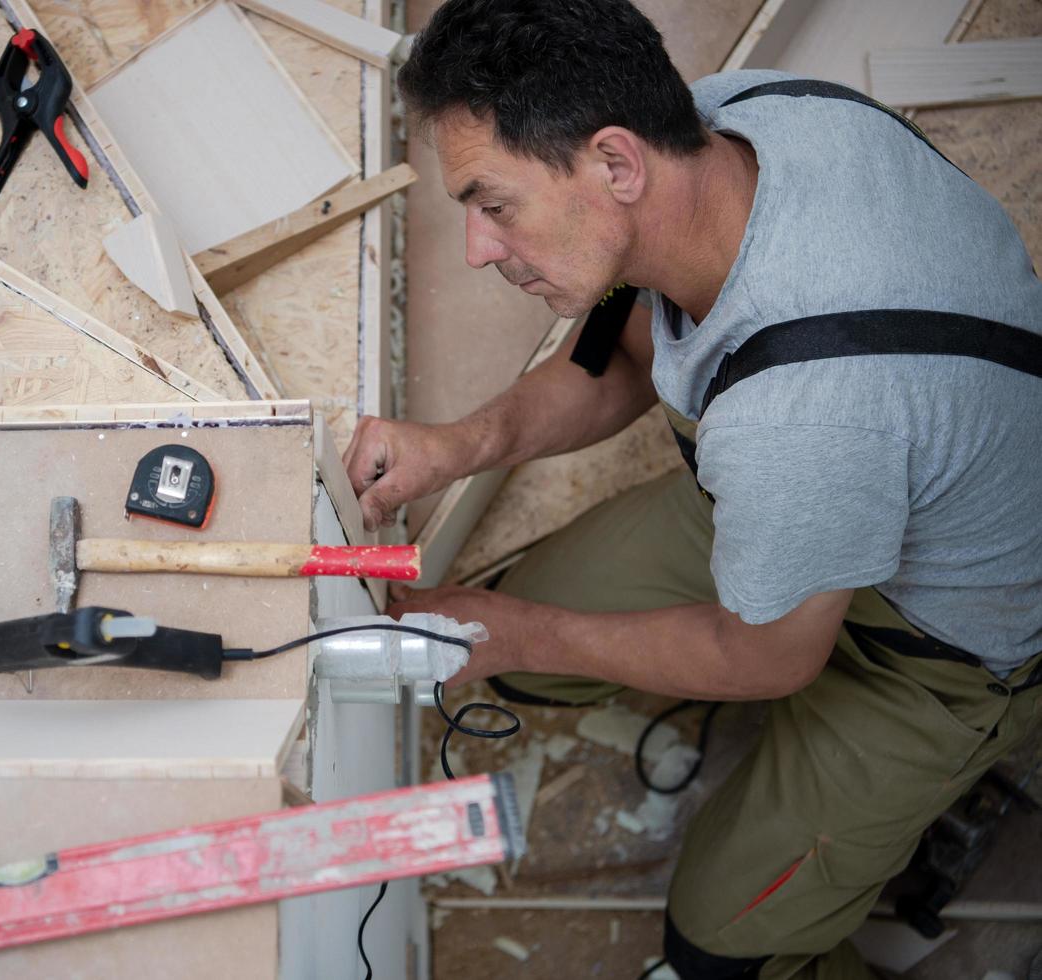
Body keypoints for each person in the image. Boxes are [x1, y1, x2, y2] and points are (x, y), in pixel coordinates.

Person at [345, 1, 1042, 976]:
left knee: (719, 949)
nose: (477, 247)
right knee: (517, 642)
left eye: (494, 204)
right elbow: (623, 359)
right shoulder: (742, 118)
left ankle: (938, 776)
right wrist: (458, 444)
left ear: (615, 164)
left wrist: (521, 629)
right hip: (800, 501)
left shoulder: (801, 410)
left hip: (935, 648)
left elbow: (766, 654)